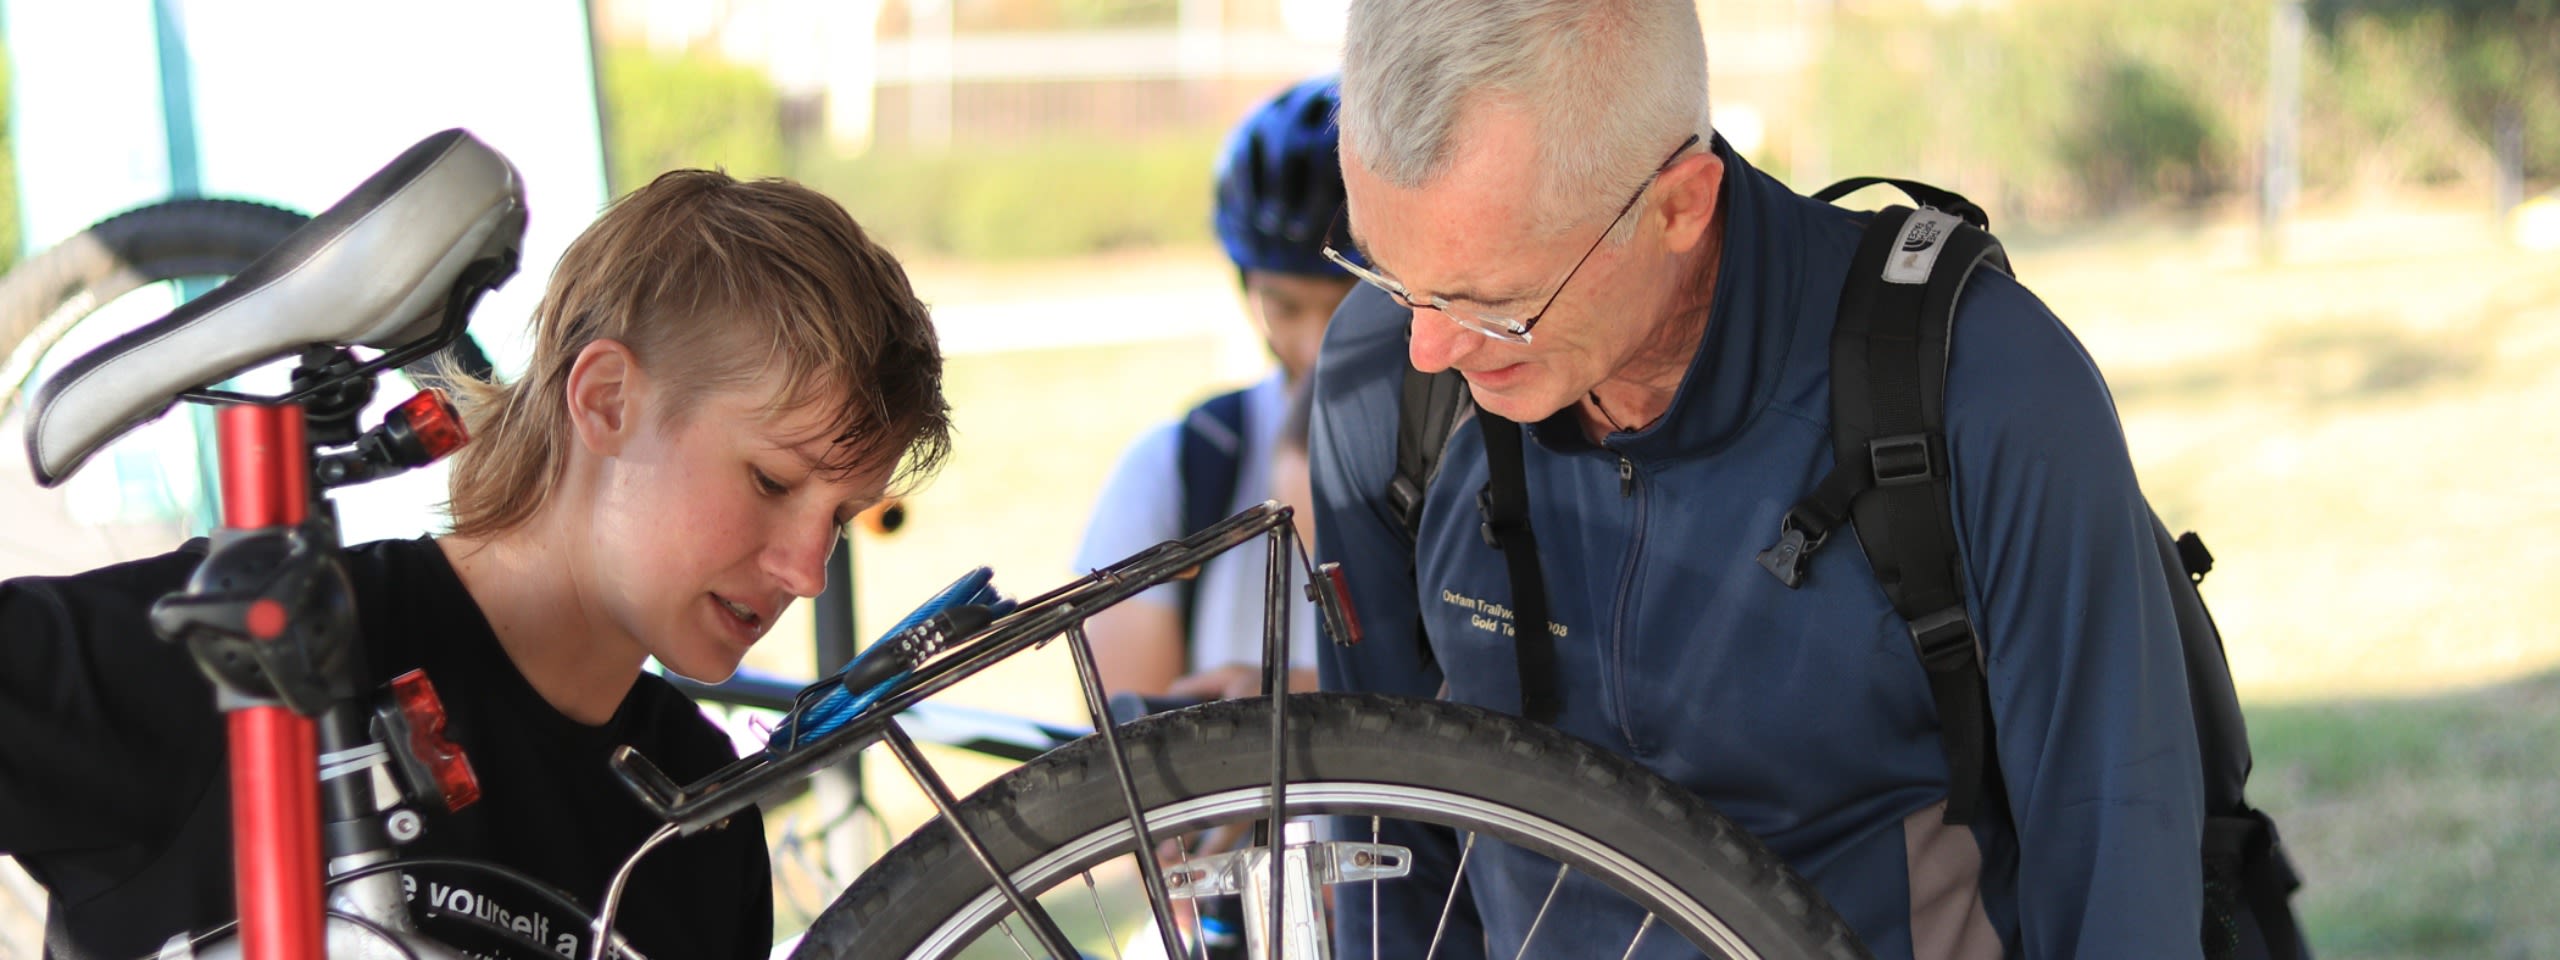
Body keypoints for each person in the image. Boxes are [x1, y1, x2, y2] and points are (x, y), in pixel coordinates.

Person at [1308, 2, 2205, 957]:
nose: (1429, 343)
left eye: (1495, 304)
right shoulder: (1394, 384)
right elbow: (1383, 849)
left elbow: (2118, 870)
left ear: (1679, 206)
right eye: (1388, 272)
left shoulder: (1982, 389)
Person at [0, 169, 953, 959]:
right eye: (772, 481)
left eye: (841, 518)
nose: (806, 571)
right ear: (607, 401)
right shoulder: (240, 647)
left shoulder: (698, 817)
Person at [1074, 75, 1356, 702]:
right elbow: (1127, 751)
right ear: (1244, 287)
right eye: (1285, 307)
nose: (1318, 347)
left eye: (1350, 306)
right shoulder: (1177, 471)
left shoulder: (1487, 465)